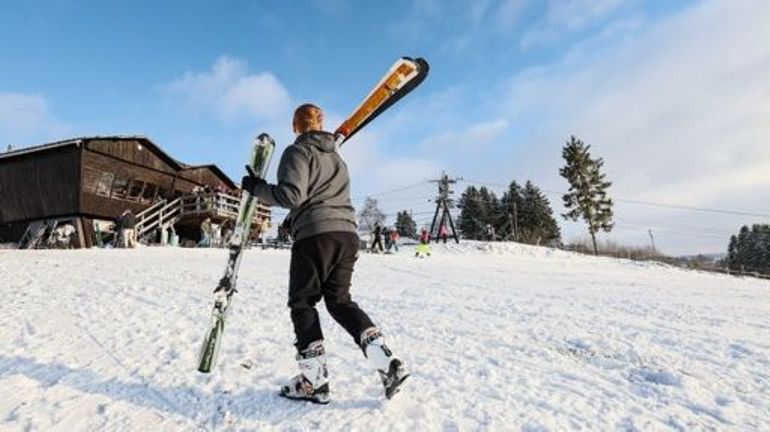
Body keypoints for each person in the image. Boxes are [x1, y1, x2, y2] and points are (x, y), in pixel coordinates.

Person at [242, 103, 408, 404]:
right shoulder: (336, 158)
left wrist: (257, 188)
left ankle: (314, 383)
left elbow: (292, 195)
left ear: (295, 126)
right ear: (321, 124)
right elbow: (320, 197)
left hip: (316, 236)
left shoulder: (297, 152)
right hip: (347, 235)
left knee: (302, 303)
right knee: (340, 302)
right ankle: (387, 363)